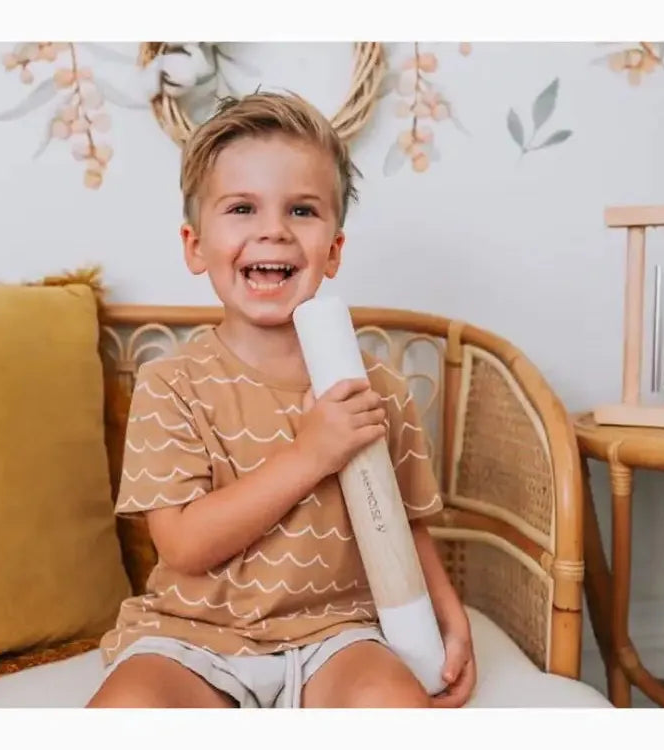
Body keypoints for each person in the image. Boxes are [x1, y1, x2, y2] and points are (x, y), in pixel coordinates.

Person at [86, 91, 476, 709]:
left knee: (393, 705)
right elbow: (183, 545)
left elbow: (403, 527)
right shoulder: (170, 385)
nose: (273, 229)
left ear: (334, 250)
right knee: (126, 711)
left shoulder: (376, 389)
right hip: (191, 637)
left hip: (336, 634)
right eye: (242, 208)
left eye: (301, 210)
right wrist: (311, 454)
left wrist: (451, 621)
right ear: (195, 245)